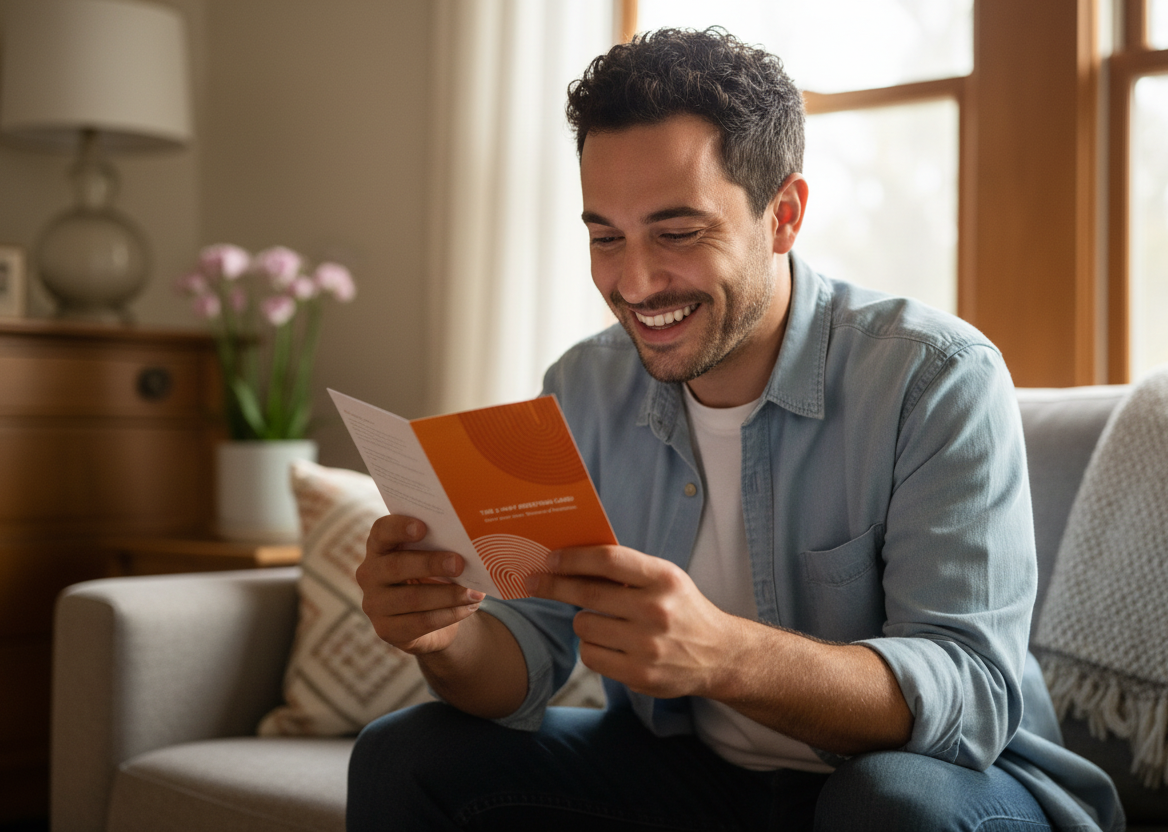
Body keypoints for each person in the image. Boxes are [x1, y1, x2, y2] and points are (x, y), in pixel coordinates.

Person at [348, 28, 1124, 832]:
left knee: (891, 805)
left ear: (782, 215)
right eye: (605, 237)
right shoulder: (580, 387)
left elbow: (970, 690)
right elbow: (527, 654)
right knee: (405, 755)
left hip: (952, 784)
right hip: (695, 776)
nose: (635, 283)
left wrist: (725, 655)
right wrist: (444, 636)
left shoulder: (936, 377)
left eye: (678, 233)